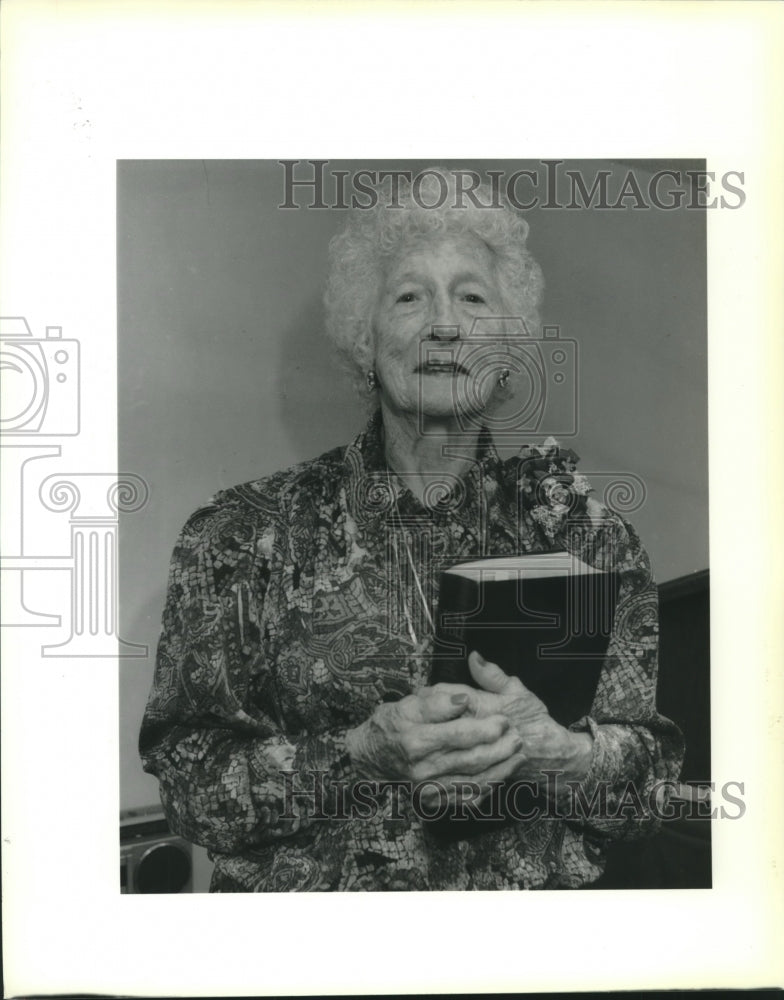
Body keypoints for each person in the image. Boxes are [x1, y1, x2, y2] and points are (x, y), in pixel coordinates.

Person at [139, 168, 683, 891]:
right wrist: (360, 753)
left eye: (472, 296)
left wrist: (557, 751)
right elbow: (189, 793)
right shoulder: (240, 535)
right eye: (408, 296)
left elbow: (647, 792)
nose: (444, 323)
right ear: (365, 341)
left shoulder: (590, 539)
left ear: (510, 343)